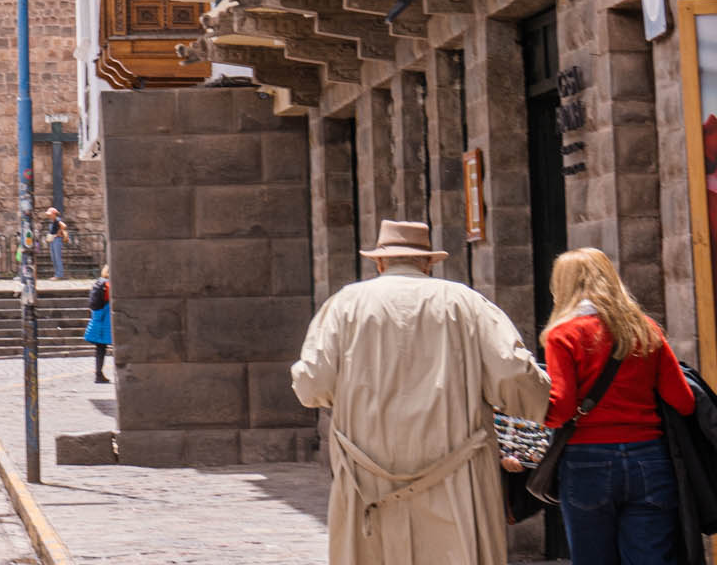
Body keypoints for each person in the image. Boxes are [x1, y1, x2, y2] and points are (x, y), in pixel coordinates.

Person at [291, 220, 549, 565]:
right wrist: (544, 405)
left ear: (379, 262)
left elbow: (311, 386)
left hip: (367, 478)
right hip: (458, 478)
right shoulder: (467, 304)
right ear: (428, 263)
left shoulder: (344, 306)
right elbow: (514, 374)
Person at [540, 247, 694, 565]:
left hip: (586, 462)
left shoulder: (562, 335)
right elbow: (684, 401)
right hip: (649, 459)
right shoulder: (646, 329)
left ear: (562, 286)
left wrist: (535, 413)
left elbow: (562, 409)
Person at [86, 265, 113, 383]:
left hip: (98, 318)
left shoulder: (99, 283)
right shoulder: (108, 285)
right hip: (106, 320)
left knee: (100, 348)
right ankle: (100, 374)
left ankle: (98, 373)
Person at [46, 211, 70, 281]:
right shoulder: (53, 221)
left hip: (57, 240)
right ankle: (57, 274)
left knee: (57, 257)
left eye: (49, 214)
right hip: (53, 239)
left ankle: (59, 275)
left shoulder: (57, 220)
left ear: (54, 214)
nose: (48, 216)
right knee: (54, 258)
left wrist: (58, 233)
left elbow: (64, 226)